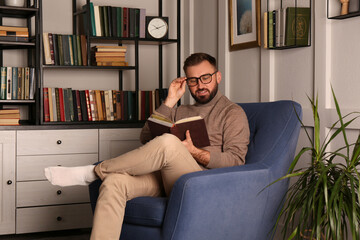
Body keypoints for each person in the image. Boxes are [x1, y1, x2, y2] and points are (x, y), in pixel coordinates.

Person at [44, 52, 250, 240]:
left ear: (218, 77)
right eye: (193, 80)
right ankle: (103, 178)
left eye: (206, 78)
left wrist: (194, 151)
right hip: (164, 178)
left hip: (200, 183)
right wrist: (169, 101)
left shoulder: (232, 113)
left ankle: (94, 172)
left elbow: (236, 161)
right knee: (114, 183)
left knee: (169, 143)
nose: (200, 85)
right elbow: (145, 136)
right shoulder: (180, 110)